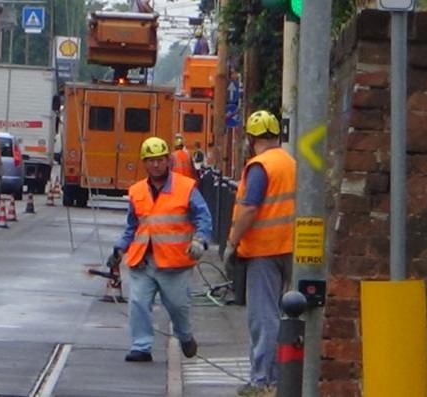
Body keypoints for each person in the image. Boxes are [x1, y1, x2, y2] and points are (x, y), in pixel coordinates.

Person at [108, 136, 212, 363]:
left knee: (177, 306)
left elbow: (203, 217)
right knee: (138, 303)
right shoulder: (137, 192)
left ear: (168, 161)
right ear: (144, 163)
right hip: (144, 261)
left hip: (175, 263)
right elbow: (132, 227)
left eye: (160, 160)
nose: (156, 165)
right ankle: (141, 346)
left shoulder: (185, 188)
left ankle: (185, 337)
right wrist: (119, 250)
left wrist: (199, 241)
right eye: (151, 160)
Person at [222, 110, 296, 396]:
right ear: (276, 134)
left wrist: (233, 243)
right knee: (283, 314)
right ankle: (279, 377)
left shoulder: (260, 167)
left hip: (264, 251)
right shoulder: (290, 163)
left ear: (251, 138)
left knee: (263, 318)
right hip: (290, 248)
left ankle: (263, 380)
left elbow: (250, 207)